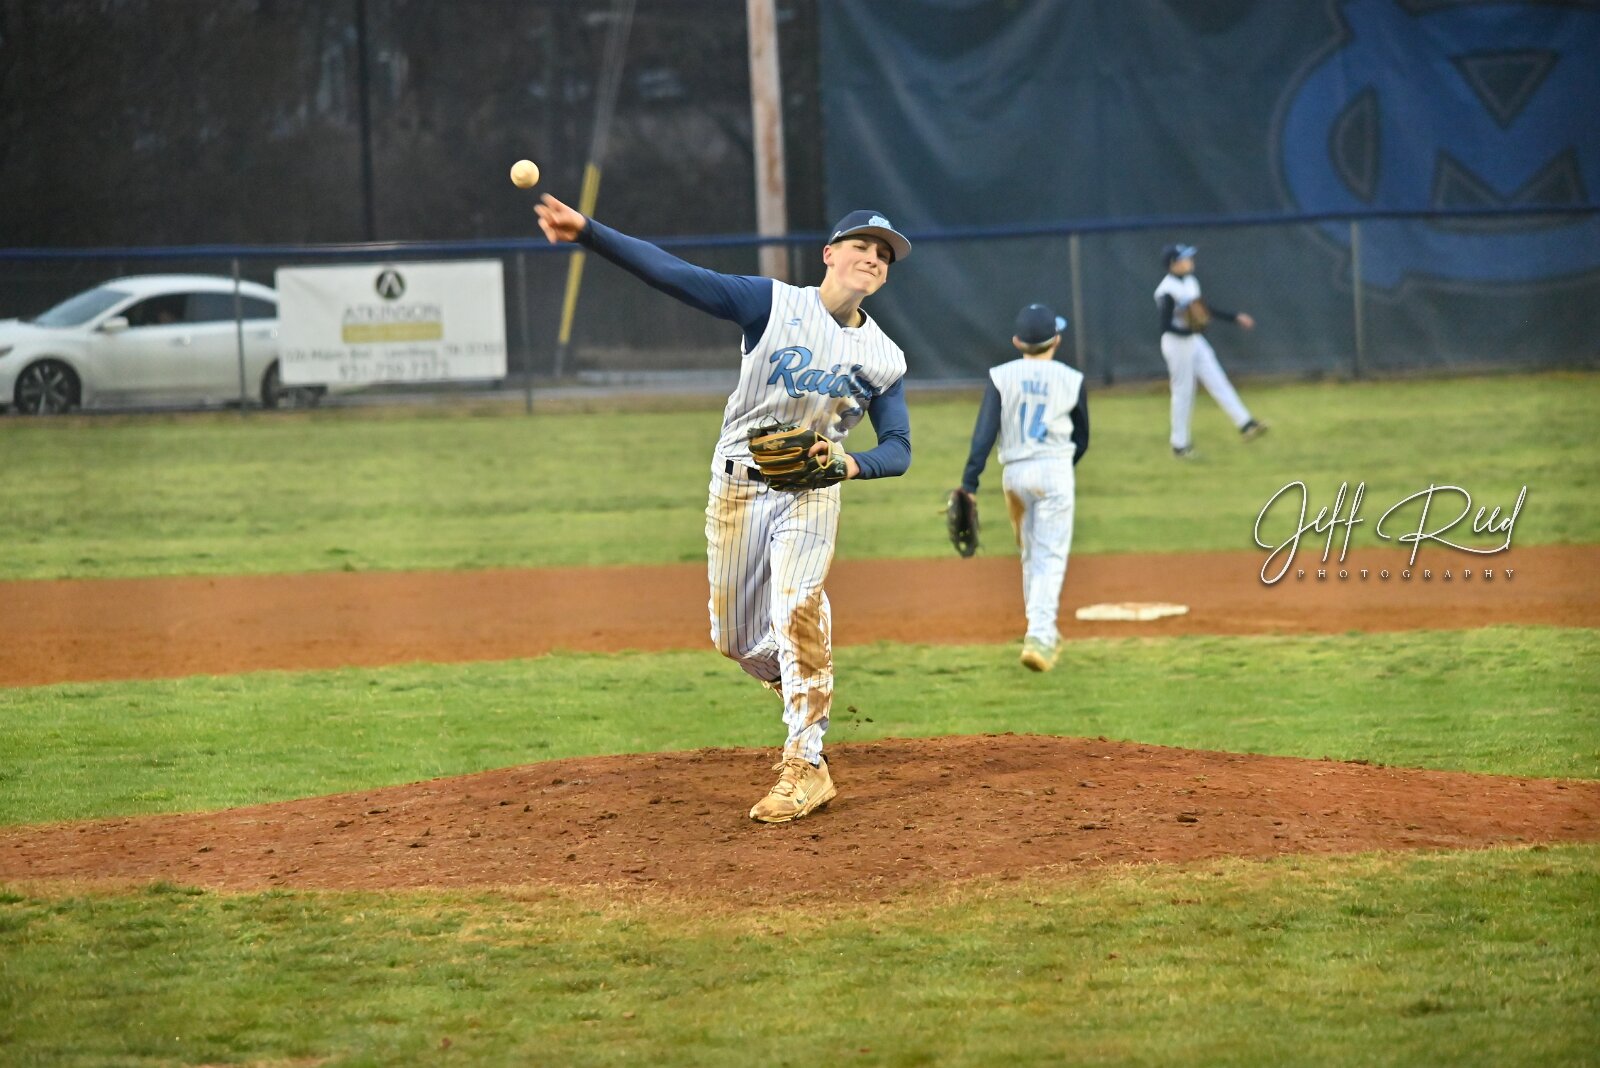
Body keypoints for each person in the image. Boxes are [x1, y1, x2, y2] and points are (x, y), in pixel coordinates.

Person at [535, 195, 913, 823]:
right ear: (829, 254)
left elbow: (898, 449)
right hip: (737, 486)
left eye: (884, 255)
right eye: (861, 246)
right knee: (733, 639)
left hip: (812, 492)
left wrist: (846, 463)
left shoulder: (884, 357)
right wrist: (588, 232)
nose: (873, 258)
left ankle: (806, 762)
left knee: (797, 607)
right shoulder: (771, 305)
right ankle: (796, 680)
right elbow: (675, 275)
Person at [957, 303, 1089, 673]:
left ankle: (1040, 630)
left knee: (1031, 555)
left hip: (1014, 474)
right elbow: (1082, 438)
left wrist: (969, 482)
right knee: (1050, 556)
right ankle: (1040, 635)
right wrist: (1061, 469)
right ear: (1056, 340)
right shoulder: (1071, 378)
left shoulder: (1001, 376)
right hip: (1055, 469)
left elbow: (984, 435)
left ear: (1017, 342)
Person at [1154, 244, 1265, 458]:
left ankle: (1246, 423)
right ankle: (1179, 445)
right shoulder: (1166, 290)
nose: (1190, 261)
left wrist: (1235, 318)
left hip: (1194, 340)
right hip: (1176, 344)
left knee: (1217, 379)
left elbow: (1205, 310)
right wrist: (1191, 330)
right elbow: (1165, 326)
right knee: (1183, 392)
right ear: (1173, 264)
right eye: (1185, 258)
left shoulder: (1190, 282)